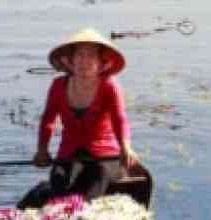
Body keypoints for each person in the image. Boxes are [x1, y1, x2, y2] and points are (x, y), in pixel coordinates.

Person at [32, 28, 139, 203]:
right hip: (69, 153)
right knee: (59, 180)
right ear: (70, 61)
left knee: (95, 181)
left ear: (100, 62)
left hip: (105, 155)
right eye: (80, 55)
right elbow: (48, 120)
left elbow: (120, 119)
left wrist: (126, 147)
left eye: (90, 56)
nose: (84, 61)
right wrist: (42, 150)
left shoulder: (109, 87)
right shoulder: (58, 86)